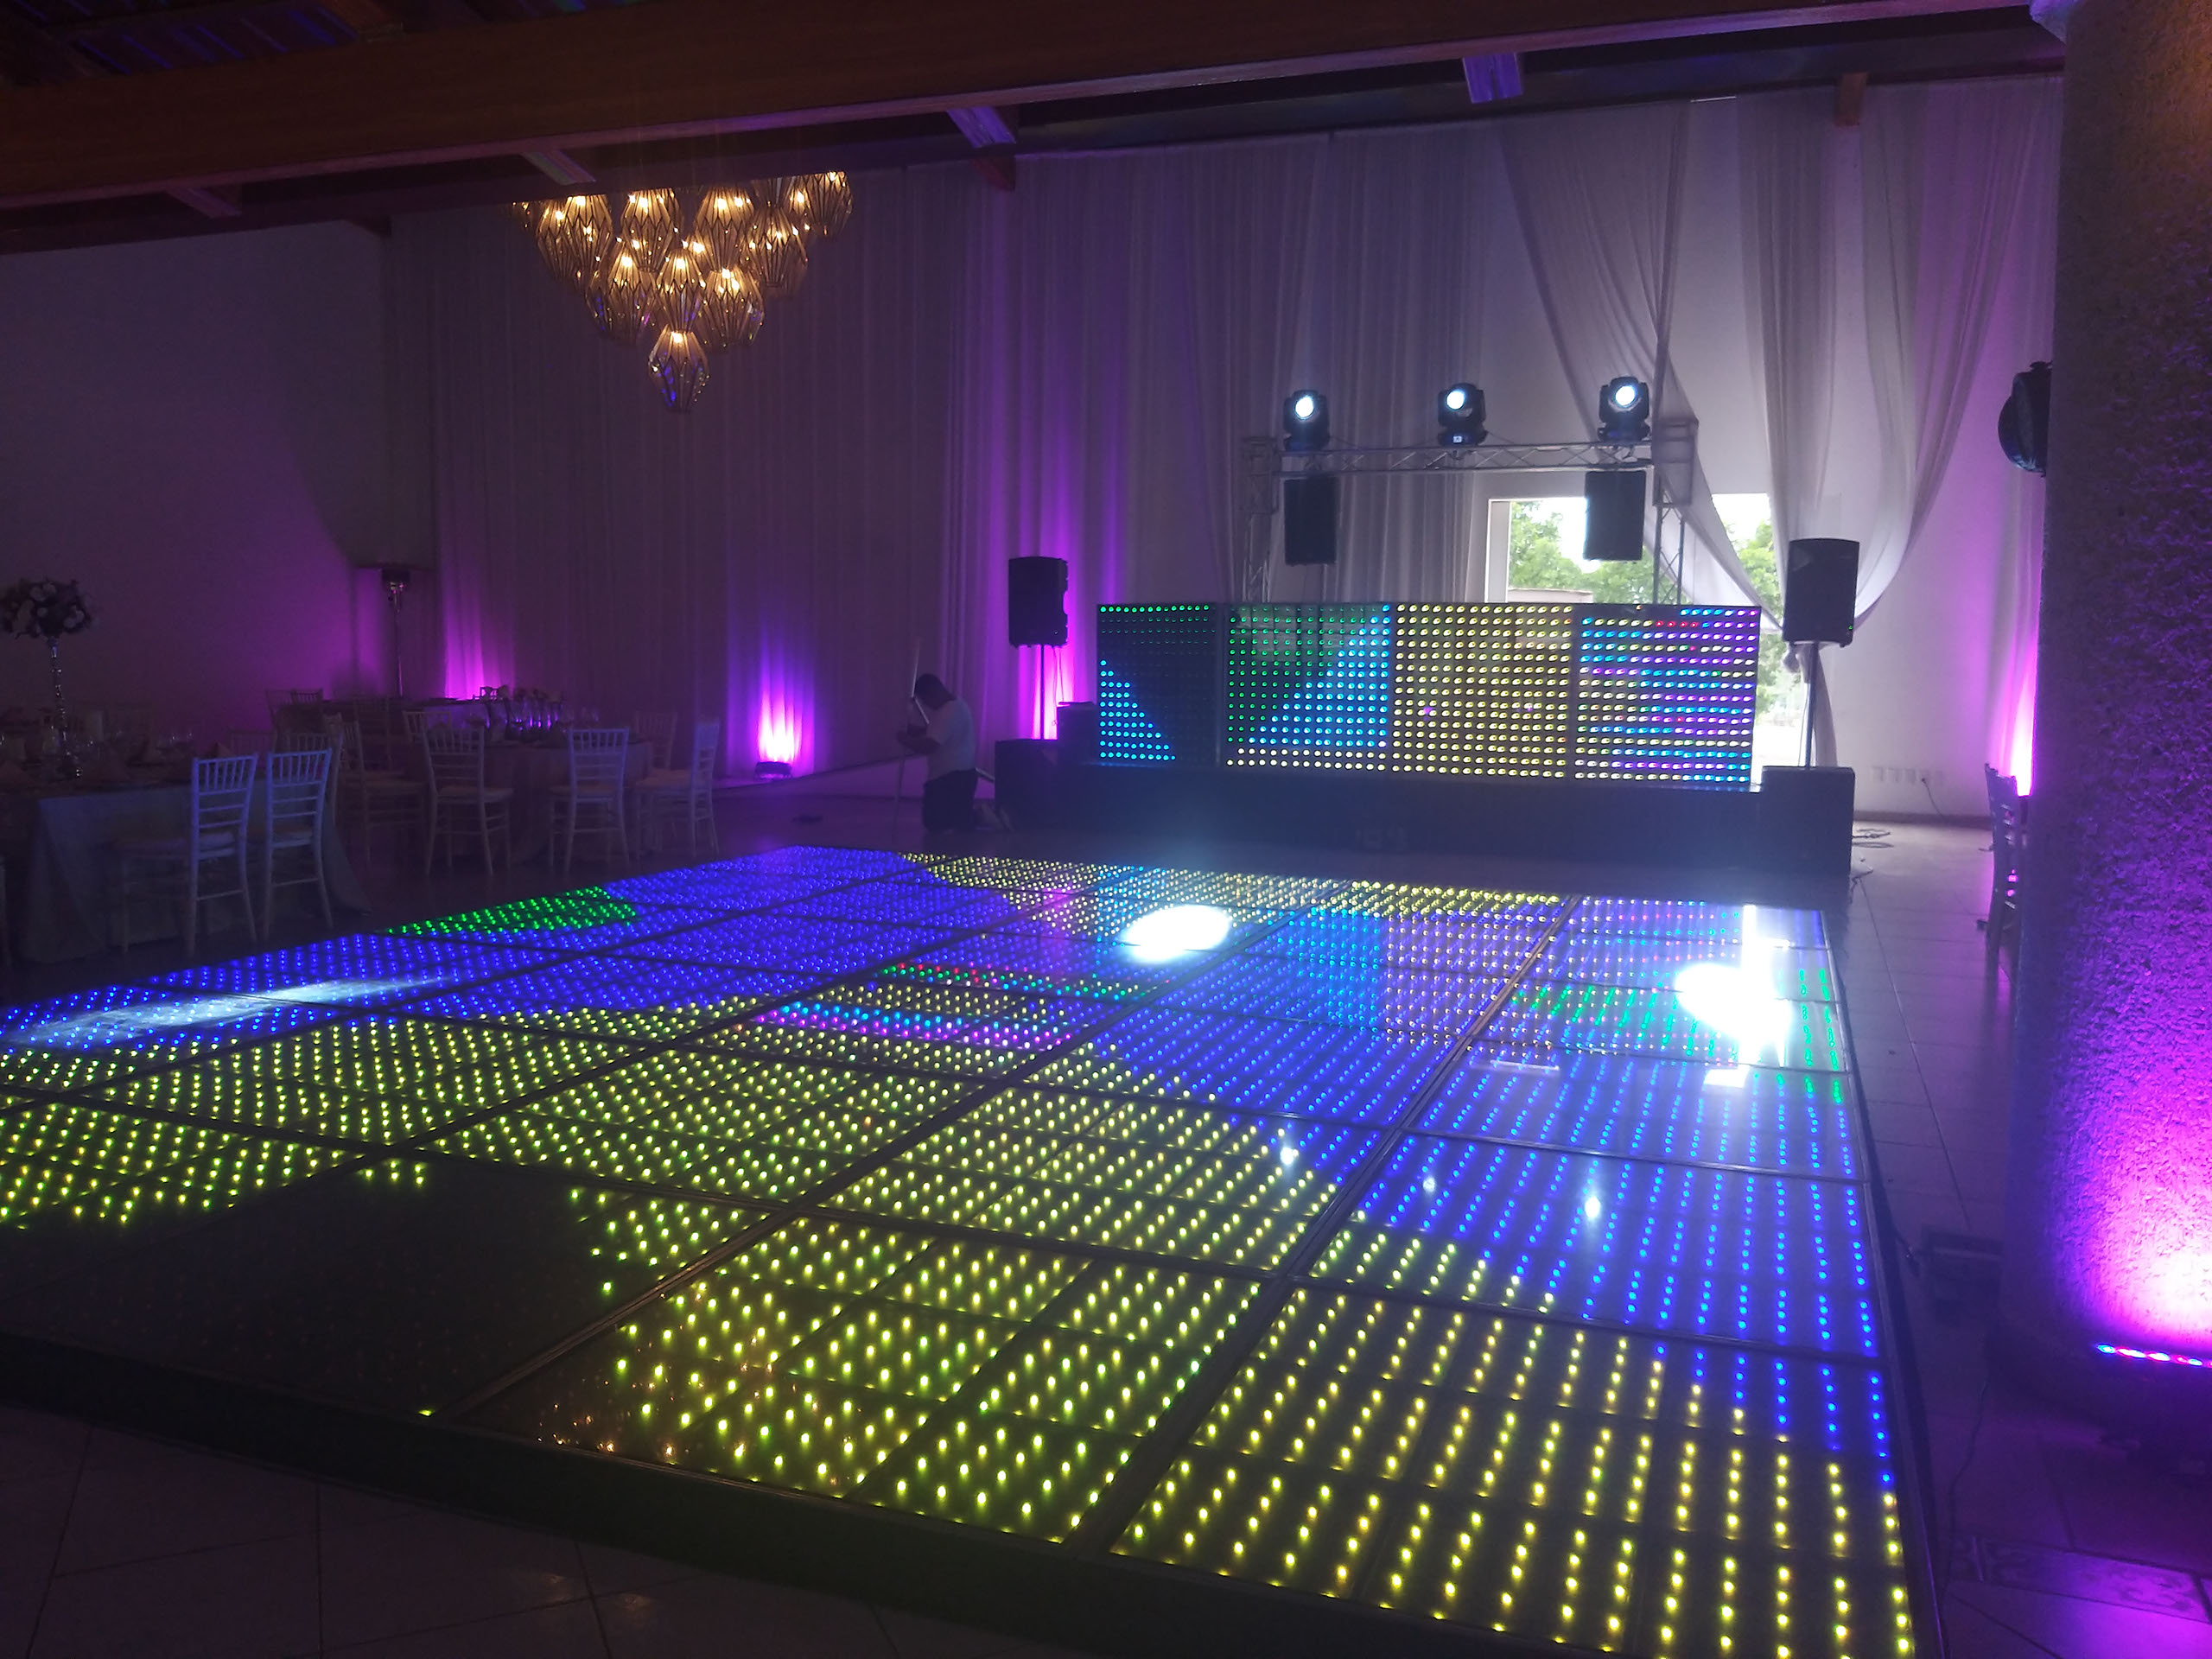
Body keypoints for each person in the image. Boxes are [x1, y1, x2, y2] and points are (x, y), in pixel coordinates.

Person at [895, 672, 978, 833]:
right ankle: (973, 817)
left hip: (949, 778)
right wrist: (918, 732)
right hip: (963, 775)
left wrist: (905, 740)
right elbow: (940, 731)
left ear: (933, 692)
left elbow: (929, 746)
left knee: (935, 822)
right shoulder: (958, 705)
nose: (926, 705)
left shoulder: (947, 712)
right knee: (952, 819)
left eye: (925, 700)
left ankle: (975, 818)